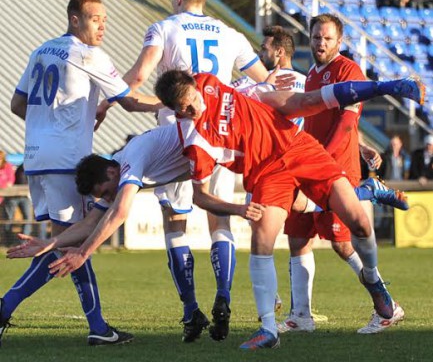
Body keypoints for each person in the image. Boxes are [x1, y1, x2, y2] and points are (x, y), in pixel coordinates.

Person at [11, 71, 422, 350]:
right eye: (183, 109)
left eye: (106, 188)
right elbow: (99, 217)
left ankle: (367, 248)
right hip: (263, 166)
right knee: (281, 226)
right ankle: (267, 327)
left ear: (112, 171)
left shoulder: (140, 153)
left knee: (341, 217)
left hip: (285, 145)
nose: (191, 112)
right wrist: (50, 243)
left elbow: (114, 215)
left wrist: (82, 252)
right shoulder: (186, 136)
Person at [151, 69, 421, 349]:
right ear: (176, 112)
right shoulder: (196, 142)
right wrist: (237, 209)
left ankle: (373, 278)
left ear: (196, 86)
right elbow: (201, 196)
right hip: (267, 171)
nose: (195, 107)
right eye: (185, 108)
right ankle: (268, 328)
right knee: (262, 239)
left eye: (193, 98)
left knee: (360, 224)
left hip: (296, 145)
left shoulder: (204, 80)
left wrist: (261, 82)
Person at [118, 0, 269, 342]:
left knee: (175, 224)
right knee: (221, 222)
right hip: (223, 135)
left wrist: (112, 101)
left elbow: (138, 75)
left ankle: (191, 311)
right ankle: (224, 296)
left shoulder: (164, 28)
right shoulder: (230, 34)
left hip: (179, 136)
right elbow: (264, 80)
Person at [1, 0, 160, 347]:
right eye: (94, 19)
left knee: (65, 241)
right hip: (65, 162)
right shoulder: (89, 54)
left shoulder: (41, 50)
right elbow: (131, 102)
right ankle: (10, 309)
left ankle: (97, 325)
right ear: (75, 20)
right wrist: (173, 105)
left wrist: (50, 122)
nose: (102, 25)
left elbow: (16, 104)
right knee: (71, 241)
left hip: (36, 159)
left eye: (104, 19)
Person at [278, 13, 405, 336]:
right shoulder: (313, 73)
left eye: (327, 38)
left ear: (340, 41)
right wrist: (361, 146)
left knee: (343, 244)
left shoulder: (349, 71)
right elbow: (324, 119)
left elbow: (347, 120)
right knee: (297, 236)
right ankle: (301, 315)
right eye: (317, 37)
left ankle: (387, 306)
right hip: (310, 166)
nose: (321, 43)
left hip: (335, 170)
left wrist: (334, 154)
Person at [3, 164, 42, 243]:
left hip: (25, 196)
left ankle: (23, 241)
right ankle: (8, 241)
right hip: (13, 196)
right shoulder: (23, 167)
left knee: (27, 218)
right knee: (9, 219)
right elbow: (21, 181)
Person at [0, 150, 15, 245]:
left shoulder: (7, 166)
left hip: (6, 198)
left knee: (7, 219)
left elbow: (10, 181)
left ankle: (5, 241)